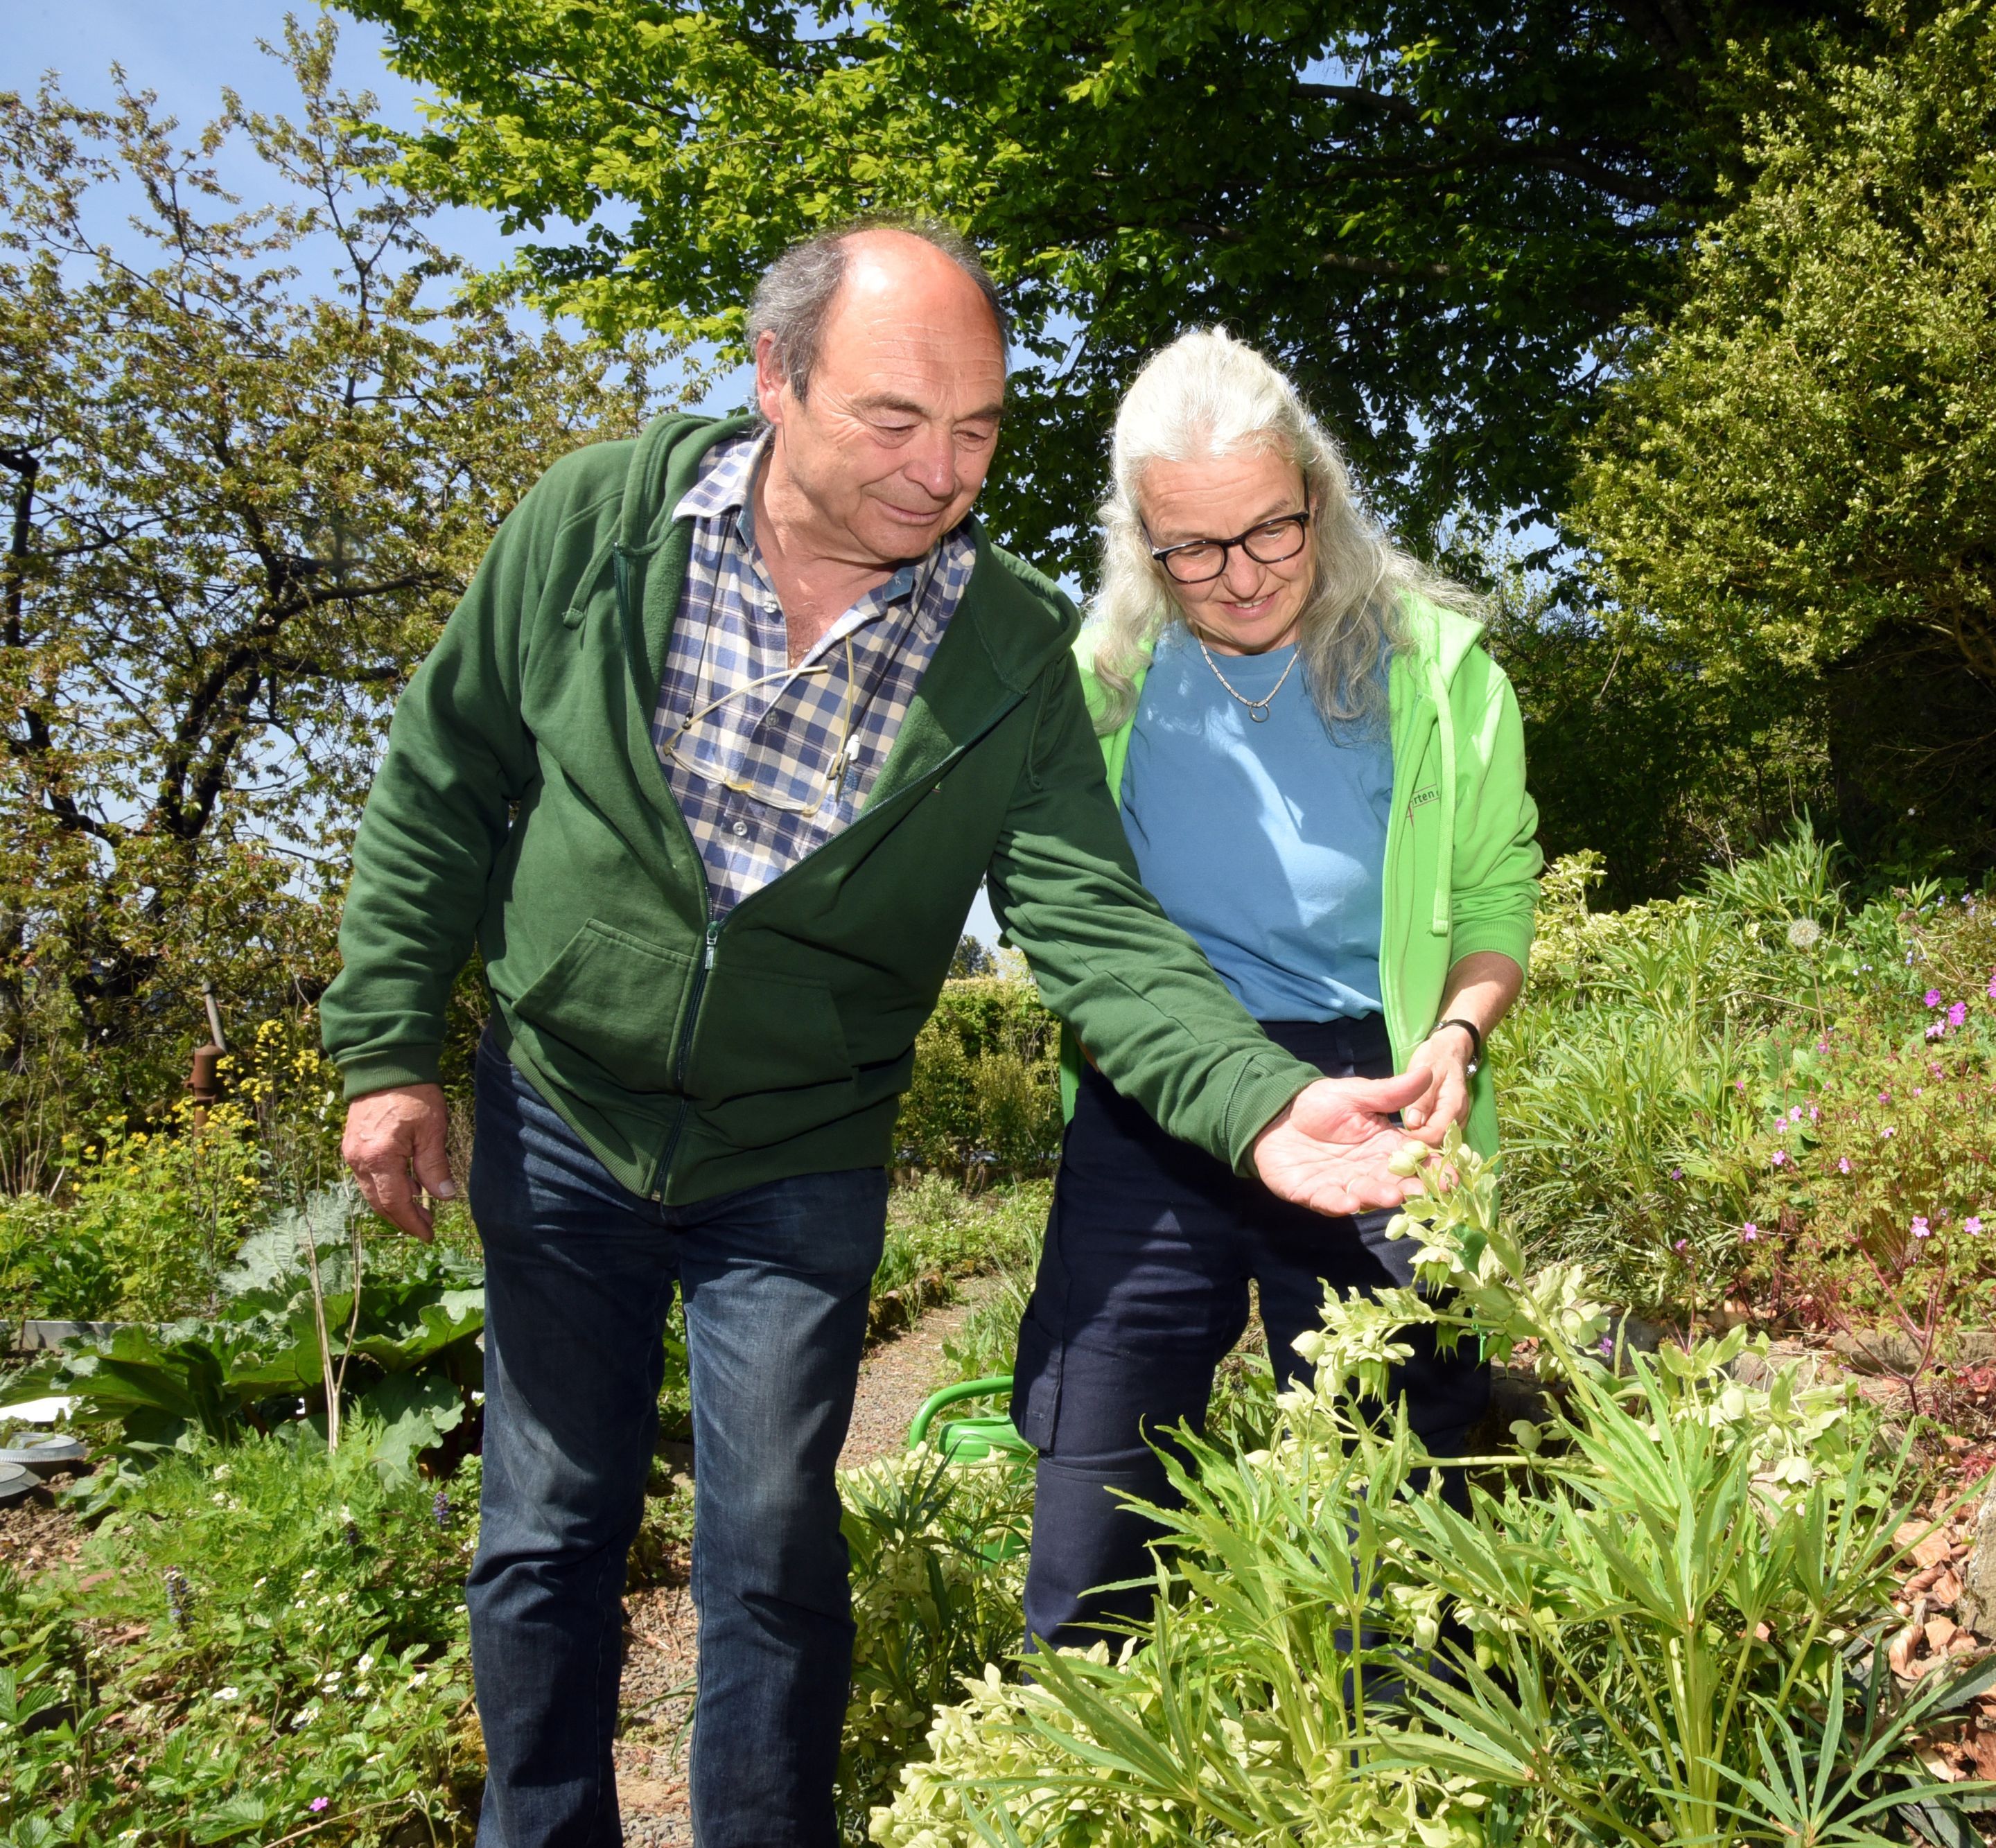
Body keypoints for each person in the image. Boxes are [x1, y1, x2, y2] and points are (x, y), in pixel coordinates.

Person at [322, 224, 1436, 1848]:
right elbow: (442, 774)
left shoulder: (1006, 654)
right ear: (776, 380)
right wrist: (386, 1049)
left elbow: (1095, 924)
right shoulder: (598, 523)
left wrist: (1260, 1102)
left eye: (979, 428)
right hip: (564, 1109)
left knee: (770, 1532)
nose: (942, 470)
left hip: (800, 1147)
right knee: (548, 1523)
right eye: (896, 420)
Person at [1013, 328, 1542, 1649]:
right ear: (1139, 541)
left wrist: (1460, 1036)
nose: (1237, 578)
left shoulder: (1439, 669)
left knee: (1396, 1509)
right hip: (1160, 1085)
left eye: (1269, 534)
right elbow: (1064, 910)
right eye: (1189, 549)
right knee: (1099, 1490)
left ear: (1322, 495)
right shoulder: (1101, 681)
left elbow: (1493, 903)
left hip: (1376, 1086)